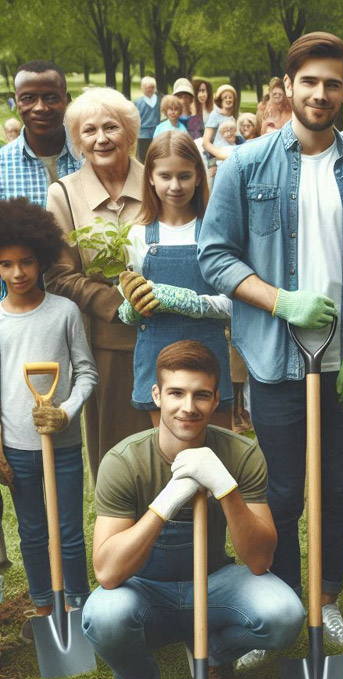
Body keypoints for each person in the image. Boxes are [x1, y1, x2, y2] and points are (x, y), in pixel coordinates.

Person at [198, 32, 343, 646]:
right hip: (275, 361)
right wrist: (279, 300)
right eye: (308, 81)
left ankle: (329, 602)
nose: (320, 93)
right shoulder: (245, 164)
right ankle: (288, 603)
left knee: (336, 488)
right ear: (288, 87)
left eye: (332, 83)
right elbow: (215, 256)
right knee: (282, 490)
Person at [82, 340, 305, 679]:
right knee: (103, 615)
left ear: (217, 397)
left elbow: (259, 559)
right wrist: (166, 501)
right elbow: (109, 573)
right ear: (157, 396)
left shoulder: (241, 454)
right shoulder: (124, 461)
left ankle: (214, 655)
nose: (189, 407)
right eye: (177, 393)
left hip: (213, 583)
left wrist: (226, 487)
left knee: (285, 614)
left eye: (202, 394)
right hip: (143, 591)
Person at [0, 197, 98, 642]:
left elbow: (86, 373)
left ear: (42, 258)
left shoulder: (65, 312)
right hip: (18, 449)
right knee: (33, 532)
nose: (18, 273)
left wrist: (65, 410)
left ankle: (77, 604)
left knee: (69, 531)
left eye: (26, 262)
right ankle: (44, 607)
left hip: (62, 446)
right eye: (6, 264)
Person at [45, 88, 153, 483]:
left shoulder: (160, 180)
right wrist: (116, 302)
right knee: (117, 458)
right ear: (77, 141)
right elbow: (59, 275)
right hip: (109, 344)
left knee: (174, 451)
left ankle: (178, 543)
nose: (101, 138)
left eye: (111, 127)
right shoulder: (64, 194)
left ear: (129, 133)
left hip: (171, 331)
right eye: (89, 130)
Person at [117, 129, 233, 429]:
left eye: (184, 176)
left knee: (214, 451)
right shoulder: (136, 235)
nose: (175, 185)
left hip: (209, 357)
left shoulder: (215, 231)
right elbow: (128, 307)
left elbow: (236, 303)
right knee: (169, 452)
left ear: (198, 176)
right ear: (151, 178)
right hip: (158, 358)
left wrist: (191, 303)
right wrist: (132, 306)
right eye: (165, 176)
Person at [0, 60, 81, 207]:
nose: (40, 108)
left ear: (67, 100)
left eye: (51, 98)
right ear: (17, 103)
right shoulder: (2, 165)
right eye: (28, 98)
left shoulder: (90, 157)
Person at [202, 83, 237, 163]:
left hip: (231, 154)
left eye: (230, 97)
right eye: (225, 97)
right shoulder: (215, 115)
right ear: (220, 100)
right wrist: (219, 154)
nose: (228, 100)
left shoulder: (232, 118)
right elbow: (206, 142)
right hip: (218, 157)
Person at [134, 77, 160, 162]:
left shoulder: (160, 101)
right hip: (143, 135)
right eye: (146, 87)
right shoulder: (138, 103)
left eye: (151, 87)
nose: (148, 89)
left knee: (157, 157)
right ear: (142, 88)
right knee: (143, 158)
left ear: (154, 88)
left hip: (157, 133)